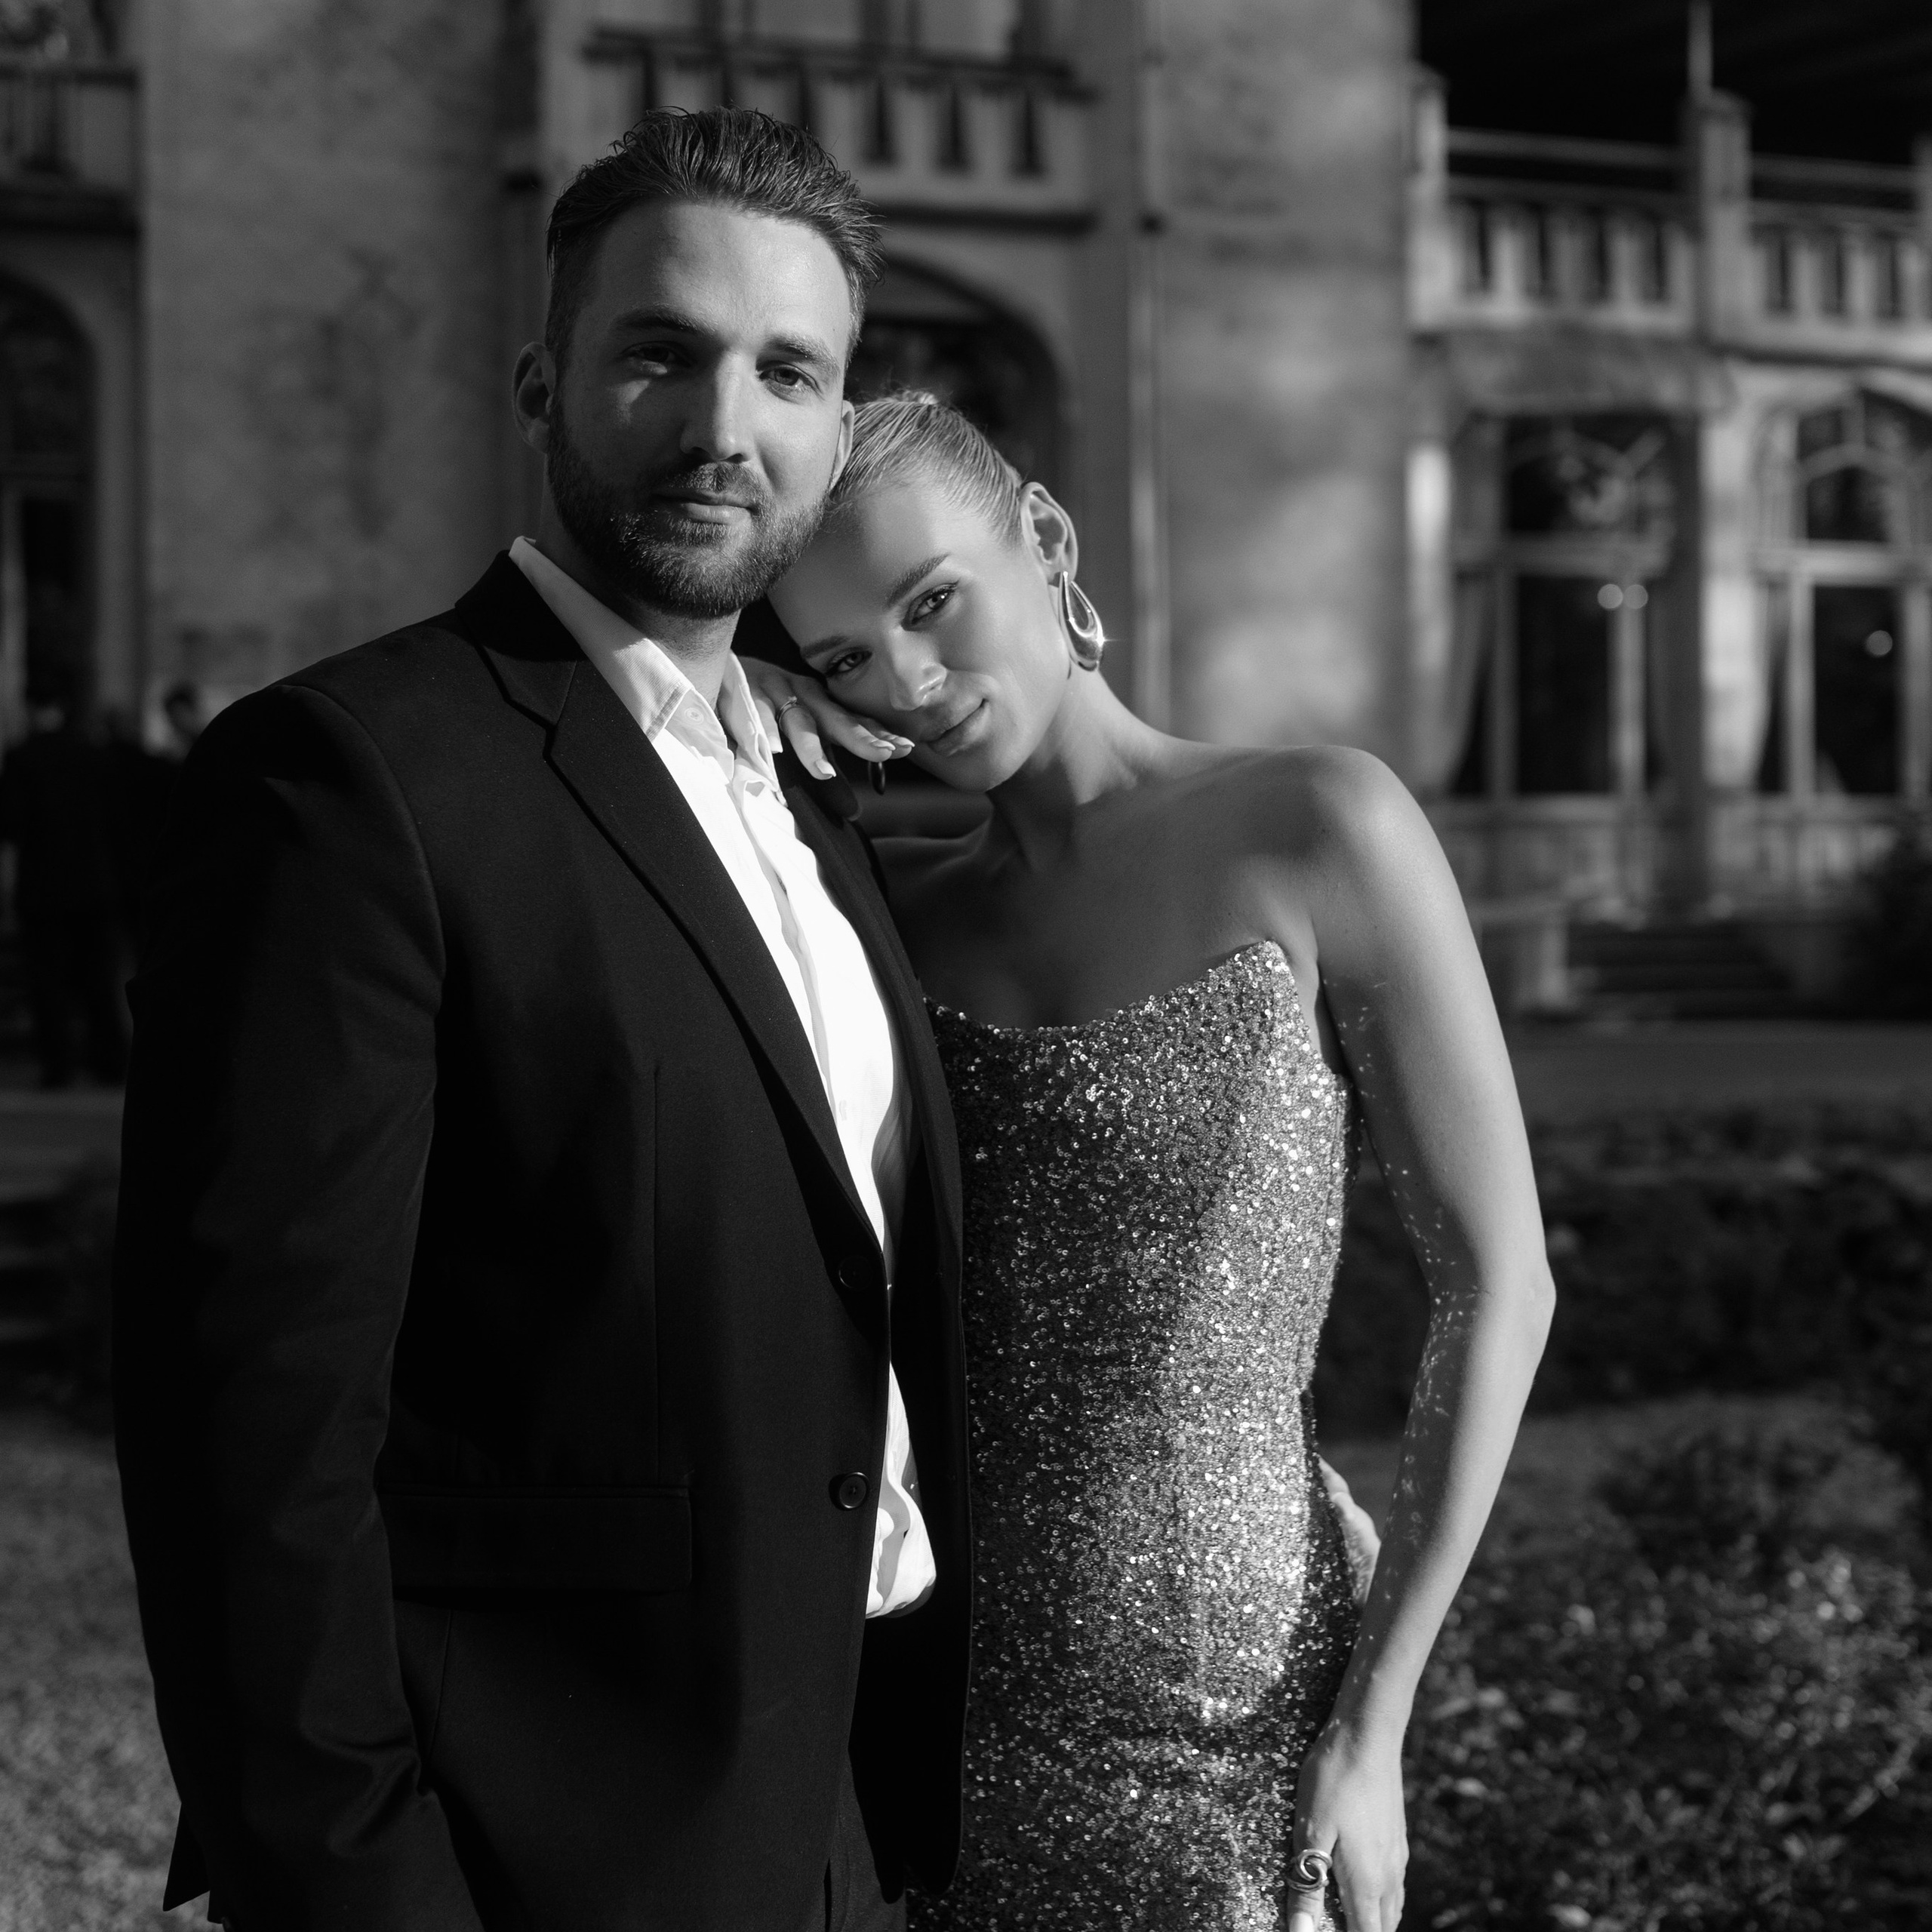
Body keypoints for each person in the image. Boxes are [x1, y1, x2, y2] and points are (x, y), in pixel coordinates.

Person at [113, 113, 969, 1932]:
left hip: (838, 1822)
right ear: (540, 379)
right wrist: (357, 1890)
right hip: (542, 1847)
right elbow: (249, 1432)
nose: (722, 426)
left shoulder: (810, 799)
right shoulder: (350, 777)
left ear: (836, 425)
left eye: (786, 374)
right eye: (658, 351)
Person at [746, 392, 1556, 1932]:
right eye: (845, 655)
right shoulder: (870, 904)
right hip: (938, 1683)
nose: (910, 681)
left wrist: (1374, 1723)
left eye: (931, 603)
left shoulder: (1316, 819)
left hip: (1243, 1698)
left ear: (1043, 538)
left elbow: (1495, 1281)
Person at [0, 689, 129, 1087]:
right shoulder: (92, 755)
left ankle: (58, 1066)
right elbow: (116, 819)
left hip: (44, 887)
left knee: (49, 982)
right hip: (94, 882)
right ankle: (110, 1062)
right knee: (98, 979)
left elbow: (11, 824)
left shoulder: (23, 757)